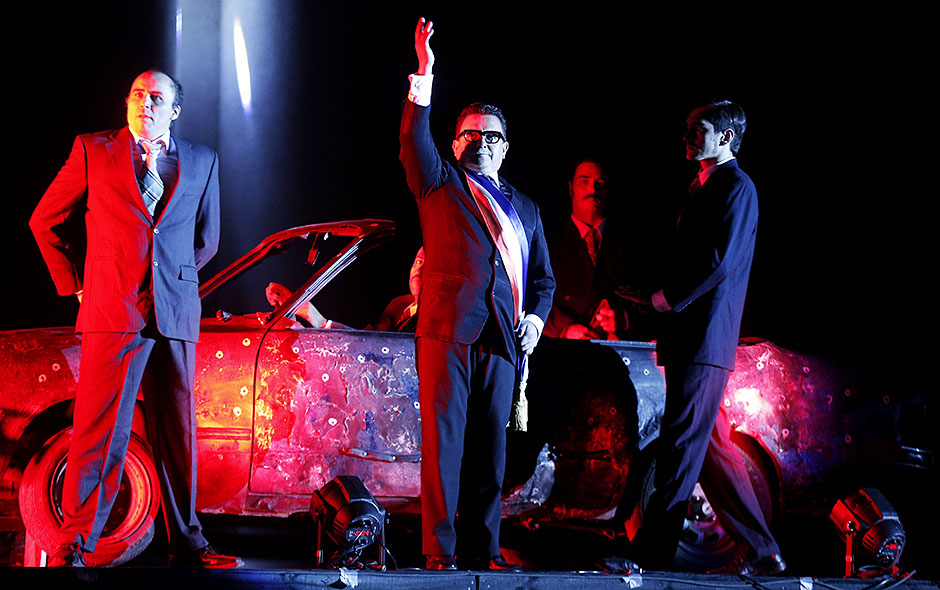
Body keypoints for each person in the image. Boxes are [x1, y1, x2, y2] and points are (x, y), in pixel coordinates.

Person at [29, 70, 240, 569]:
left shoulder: (202, 160)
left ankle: (189, 544)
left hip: (174, 312)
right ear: (126, 102)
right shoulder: (92, 150)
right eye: (137, 95)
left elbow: (207, 240)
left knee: (178, 434)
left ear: (174, 111)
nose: (145, 103)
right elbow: (44, 221)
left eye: (156, 97)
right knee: (99, 432)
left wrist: (171, 279)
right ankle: (75, 545)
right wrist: (78, 285)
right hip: (112, 310)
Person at [400, 19, 555, 571]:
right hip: (447, 329)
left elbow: (543, 281)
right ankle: (439, 550)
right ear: (454, 142)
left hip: (504, 337)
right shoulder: (438, 182)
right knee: (445, 444)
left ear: (505, 148)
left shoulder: (526, 209)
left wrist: (536, 320)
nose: (480, 142)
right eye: (469, 134)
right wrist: (425, 73)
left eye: (491, 136)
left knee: (492, 447)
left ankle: (485, 547)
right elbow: (412, 141)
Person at [618, 101, 785, 575]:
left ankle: (651, 556)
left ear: (726, 137)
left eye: (700, 129)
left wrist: (664, 300)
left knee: (680, 447)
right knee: (709, 448)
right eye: (688, 128)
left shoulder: (737, 186)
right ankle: (764, 551)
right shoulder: (704, 185)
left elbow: (719, 260)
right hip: (690, 337)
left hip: (704, 338)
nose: (689, 136)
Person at [544, 158, 637, 341]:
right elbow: (529, 296)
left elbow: (651, 300)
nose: (592, 190)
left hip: (618, 351)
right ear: (571, 188)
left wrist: (625, 319)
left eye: (600, 183)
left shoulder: (632, 243)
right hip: (561, 350)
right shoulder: (546, 240)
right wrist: (565, 328)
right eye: (584, 181)